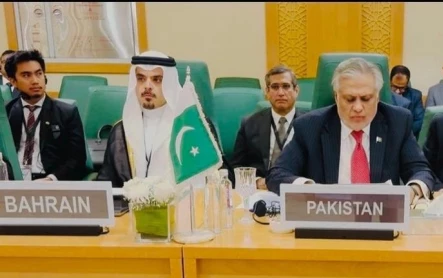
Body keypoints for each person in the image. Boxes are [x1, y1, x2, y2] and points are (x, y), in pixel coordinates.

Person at [267, 57, 438, 203]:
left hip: (381, 220)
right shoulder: (310, 126)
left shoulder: (397, 122)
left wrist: (412, 191)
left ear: (377, 97)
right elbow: (277, 174)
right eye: (349, 99)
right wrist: (312, 190)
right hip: (327, 219)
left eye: (366, 98)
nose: (357, 107)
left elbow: (421, 171)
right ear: (336, 97)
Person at [97, 50, 225, 187]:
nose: (147, 86)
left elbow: (219, 179)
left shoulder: (192, 126)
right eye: (141, 78)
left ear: (169, 84)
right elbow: (105, 185)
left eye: (156, 80)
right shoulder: (120, 131)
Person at [3, 49, 88, 181]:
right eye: (26, 75)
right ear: (13, 81)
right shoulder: (6, 113)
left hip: (48, 180)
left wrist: (51, 179)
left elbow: (77, 159)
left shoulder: (66, 113)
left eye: (39, 73)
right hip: (13, 180)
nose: (35, 81)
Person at [229, 65, 303, 190]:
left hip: (296, 189)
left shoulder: (310, 124)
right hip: (260, 190)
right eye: (275, 87)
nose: (280, 93)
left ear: (296, 90)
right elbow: (236, 166)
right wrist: (256, 181)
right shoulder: (250, 124)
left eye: (286, 86)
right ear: (267, 92)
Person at [390, 65, 425, 138]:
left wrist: (404, 133)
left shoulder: (415, 95)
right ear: (390, 82)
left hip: (408, 135)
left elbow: (419, 121)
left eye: (402, 88)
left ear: (407, 84)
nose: (397, 91)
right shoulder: (383, 94)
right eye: (394, 87)